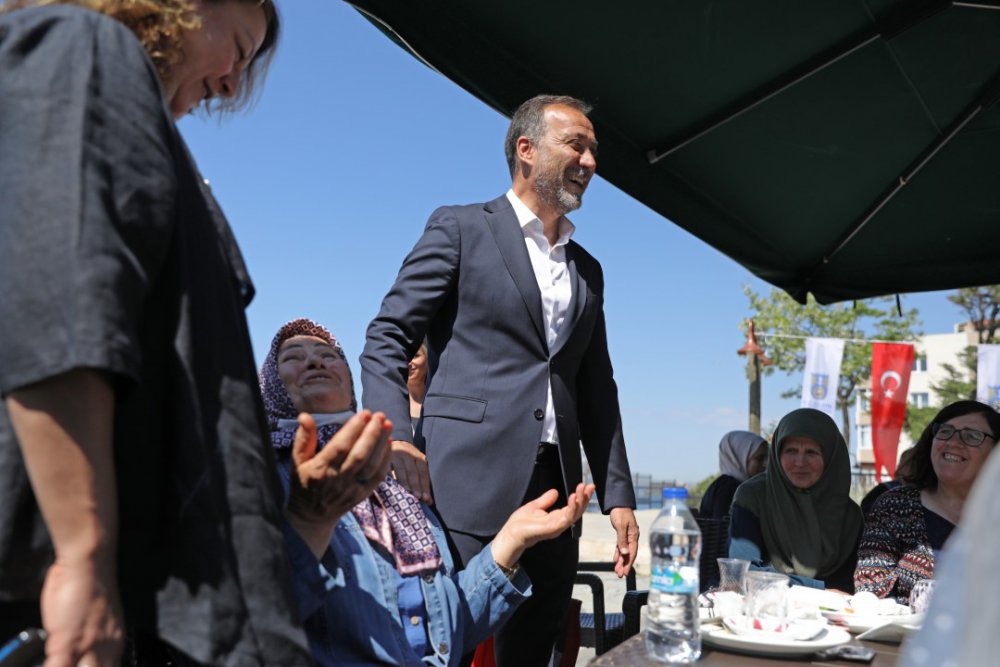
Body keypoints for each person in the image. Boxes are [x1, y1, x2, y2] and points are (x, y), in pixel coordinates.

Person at [0, 2, 317, 665]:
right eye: (238, 47)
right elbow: (61, 304)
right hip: (62, 606)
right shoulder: (83, 48)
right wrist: (81, 554)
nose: (230, 84)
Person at [360, 94, 638, 665]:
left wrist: (618, 497)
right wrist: (397, 439)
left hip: (556, 496)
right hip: (461, 487)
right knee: (445, 645)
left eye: (594, 151)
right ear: (526, 149)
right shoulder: (460, 228)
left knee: (532, 652)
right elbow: (387, 336)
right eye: (576, 145)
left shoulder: (588, 270)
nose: (590, 161)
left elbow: (597, 388)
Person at [260, 318, 594, 666]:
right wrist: (308, 525)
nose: (315, 361)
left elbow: (448, 628)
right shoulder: (259, 480)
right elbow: (248, 620)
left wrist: (510, 541)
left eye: (329, 355)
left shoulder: (394, 484)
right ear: (269, 383)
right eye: (293, 356)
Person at [855, 400, 999, 602]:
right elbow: (870, 591)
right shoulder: (896, 506)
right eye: (945, 431)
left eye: (971, 436)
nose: (953, 442)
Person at [729, 408, 862, 591]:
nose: (800, 462)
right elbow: (743, 572)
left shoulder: (850, 515)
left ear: (831, 457)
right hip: (766, 604)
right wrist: (818, 589)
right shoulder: (753, 496)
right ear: (777, 454)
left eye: (811, 452)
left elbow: (853, 585)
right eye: (791, 451)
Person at [699, 431, 767, 519]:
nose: (765, 464)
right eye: (759, 458)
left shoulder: (725, 484)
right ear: (740, 457)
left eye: (766, 458)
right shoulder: (729, 488)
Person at [858, 445, 917, 517]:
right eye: (910, 464)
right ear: (901, 466)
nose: (914, 469)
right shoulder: (883, 490)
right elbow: (865, 513)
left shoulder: (924, 494)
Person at [408, 341, 429, 433]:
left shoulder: (440, 402)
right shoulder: (391, 404)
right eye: (404, 357)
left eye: (415, 356)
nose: (409, 363)